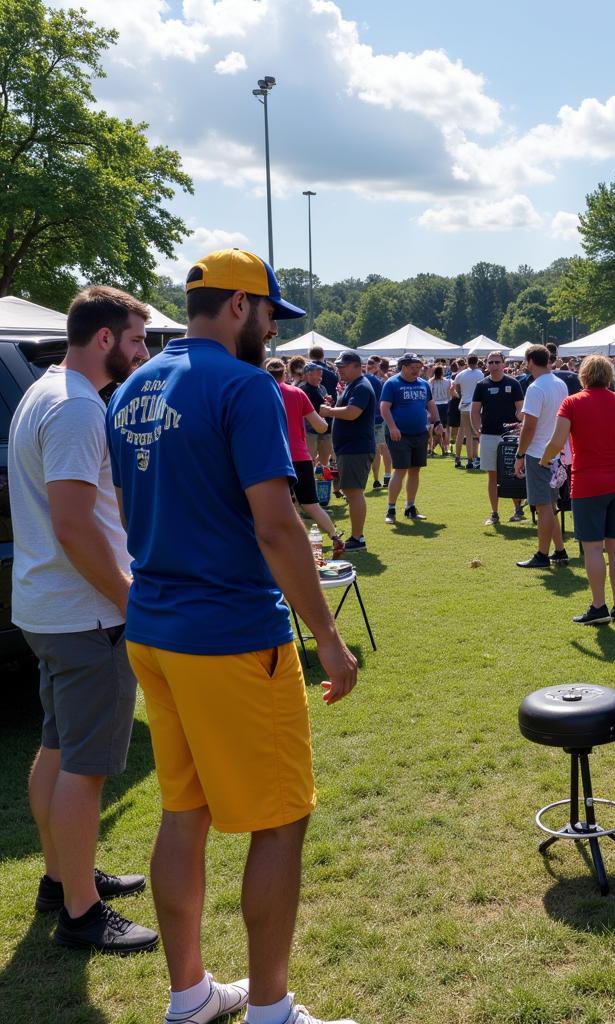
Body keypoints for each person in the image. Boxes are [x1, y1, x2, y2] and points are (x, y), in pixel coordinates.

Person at [106, 248, 359, 1024]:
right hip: (230, 636)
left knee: (185, 810)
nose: (273, 334)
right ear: (242, 307)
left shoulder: (131, 388)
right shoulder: (246, 386)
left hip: (155, 629)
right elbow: (278, 525)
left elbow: (131, 508)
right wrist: (330, 637)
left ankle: (190, 997)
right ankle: (272, 1011)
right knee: (280, 818)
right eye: (271, 316)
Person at [9, 286, 157, 955]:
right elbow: (73, 524)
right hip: (85, 615)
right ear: (104, 339)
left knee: (58, 747)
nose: (143, 352)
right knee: (85, 767)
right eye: (136, 340)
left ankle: (60, 877)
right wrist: (130, 599)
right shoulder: (75, 409)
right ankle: (81, 911)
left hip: (49, 609)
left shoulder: (46, 390)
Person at [540, 354, 615, 624]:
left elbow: (557, 442)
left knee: (593, 549)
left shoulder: (571, 403)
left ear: (583, 376)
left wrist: (543, 460)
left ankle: (598, 607)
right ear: (609, 376)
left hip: (588, 484)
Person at [264, 359, 344, 559]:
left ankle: (280, 545)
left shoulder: (260, 394)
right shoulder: (297, 393)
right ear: (285, 375)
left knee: (271, 506)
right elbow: (320, 427)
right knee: (311, 505)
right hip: (299, 457)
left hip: (272, 458)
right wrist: (324, 416)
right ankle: (335, 537)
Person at [514, 345, 571, 569]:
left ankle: (542, 554)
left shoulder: (535, 387)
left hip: (538, 453)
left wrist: (519, 455)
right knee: (551, 504)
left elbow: (529, 427)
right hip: (556, 452)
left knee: (543, 507)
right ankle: (559, 551)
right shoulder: (560, 383)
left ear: (529, 362)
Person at [321, 351, 376, 552]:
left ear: (356, 366)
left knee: (354, 493)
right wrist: (333, 406)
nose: (339, 370)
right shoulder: (354, 385)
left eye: (343, 367)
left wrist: (329, 411)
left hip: (356, 448)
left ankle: (358, 538)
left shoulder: (361, 386)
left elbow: (353, 413)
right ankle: (357, 536)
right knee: (351, 492)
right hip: (350, 448)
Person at [379, 352, 438, 524]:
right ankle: (391, 509)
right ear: (403, 367)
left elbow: (430, 404)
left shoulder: (423, 384)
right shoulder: (392, 383)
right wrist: (392, 427)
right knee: (400, 470)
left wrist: (438, 421)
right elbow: (384, 408)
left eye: (419, 368)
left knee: (415, 470)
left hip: (419, 433)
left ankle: (410, 507)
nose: (416, 371)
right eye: (413, 368)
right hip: (399, 435)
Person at [471, 354, 525, 525]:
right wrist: (478, 431)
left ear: (503, 364)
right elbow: (474, 411)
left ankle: (518, 510)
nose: (494, 365)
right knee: (492, 475)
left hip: (510, 437)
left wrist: (519, 426)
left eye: (497, 362)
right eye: (491, 362)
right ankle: (494, 513)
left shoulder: (513, 383)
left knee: (513, 472)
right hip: (488, 435)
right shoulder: (481, 385)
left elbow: (521, 409)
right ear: (486, 365)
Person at [299, 362, 335, 477]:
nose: (321, 375)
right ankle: (311, 486)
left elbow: (326, 405)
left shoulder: (322, 388)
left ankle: (323, 488)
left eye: (321, 372)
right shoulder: (302, 390)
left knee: (325, 462)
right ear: (308, 374)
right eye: (318, 372)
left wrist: (329, 401)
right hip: (309, 432)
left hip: (326, 429)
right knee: (310, 461)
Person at [453, 355, 485, 469]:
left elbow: (454, 389)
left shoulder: (461, 374)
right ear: (477, 362)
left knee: (463, 433)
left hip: (464, 406)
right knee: (473, 434)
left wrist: (460, 395)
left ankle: (459, 457)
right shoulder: (480, 374)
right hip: (475, 407)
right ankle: (471, 460)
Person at [366, 356, 391, 491]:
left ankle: (378, 479)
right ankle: (385, 476)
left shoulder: (370, 379)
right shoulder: (385, 380)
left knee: (379, 448)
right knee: (383, 447)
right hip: (380, 417)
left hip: (375, 418)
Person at [428, 364, 450, 456]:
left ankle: (432, 448)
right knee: (442, 429)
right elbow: (449, 394)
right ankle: (443, 449)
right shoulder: (447, 382)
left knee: (433, 429)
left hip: (434, 405)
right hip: (444, 405)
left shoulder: (430, 382)